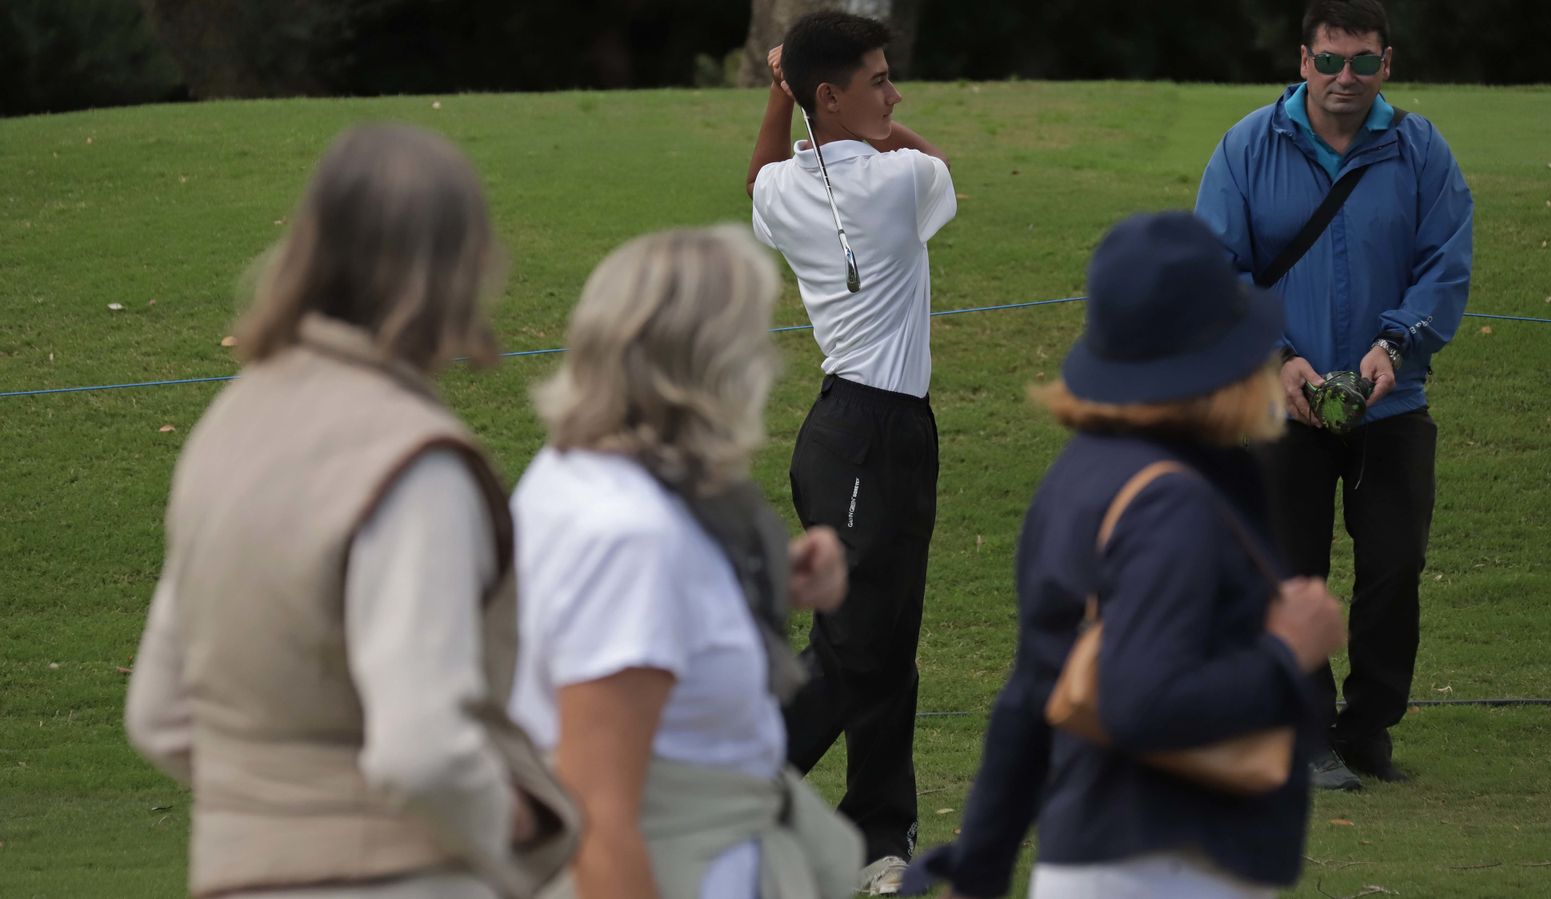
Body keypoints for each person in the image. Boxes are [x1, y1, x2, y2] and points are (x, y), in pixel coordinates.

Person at [123, 124, 577, 899]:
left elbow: (159, 714)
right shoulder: (411, 462)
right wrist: (520, 817)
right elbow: (422, 749)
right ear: (456, 268)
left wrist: (276, 812)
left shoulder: (228, 426)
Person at [901, 212, 1349, 899]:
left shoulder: (1078, 477)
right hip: (1172, 864)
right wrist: (1287, 652)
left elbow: (1032, 693)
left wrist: (981, 867)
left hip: (1095, 858)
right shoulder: (1171, 502)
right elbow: (1143, 702)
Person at [506, 225, 864, 899]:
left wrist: (769, 578)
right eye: (753, 342)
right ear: (706, 367)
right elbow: (599, 818)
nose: (769, 365)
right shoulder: (628, 538)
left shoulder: (575, 471)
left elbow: (644, 621)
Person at [1194, 0, 1473, 789]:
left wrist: (1396, 343)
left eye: (1361, 62)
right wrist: (1278, 358)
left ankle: (1368, 729)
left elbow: (1445, 262)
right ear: (1302, 59)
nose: (1342, 78)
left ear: (1387, 64)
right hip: (1282, 400)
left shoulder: (1422, 151)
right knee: (1292, 570)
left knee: (1395, 566)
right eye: (1328, 61)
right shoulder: (1248, 146)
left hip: (1393, 397)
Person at [745, 12, 957, 893]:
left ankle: (880, 832)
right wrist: (848, 116)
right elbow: (937, 162)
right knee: (855, 645)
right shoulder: (902, 178)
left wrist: (784, 94)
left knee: (887, 640)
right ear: (831, 98)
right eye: (878, 81)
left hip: (869, 431)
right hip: (868, 433)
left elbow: (759, 172)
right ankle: (731, 790)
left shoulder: (782, 188)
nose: (894, 94)